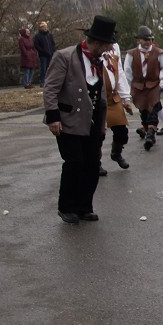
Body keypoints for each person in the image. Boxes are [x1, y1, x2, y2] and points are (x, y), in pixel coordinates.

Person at [43, 15, 116, 223]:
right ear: (99, 42)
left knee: (93, 164)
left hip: (92, 122)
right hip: (68, 121)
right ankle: (67, 207)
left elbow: (100, 94)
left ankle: (85, 206)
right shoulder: (64, 57)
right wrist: (53, 117)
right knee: (74, 163)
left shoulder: (99, 61)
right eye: (108, 44)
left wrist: (103, 121)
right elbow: (50, 88)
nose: (110, 48)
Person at [124, 26, 163, 151]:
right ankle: (147, 130)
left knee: (153, 110)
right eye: (145, 39)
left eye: (150, 39)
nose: (148, 42)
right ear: (138, 40)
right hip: (138, 86)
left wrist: (161, 83)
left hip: (154, 85)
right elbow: (127, 71)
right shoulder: (131, 54)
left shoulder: (159, 53)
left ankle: (150, 134)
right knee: (143, 111)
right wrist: (130, 86)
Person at [99, 39, 134, 176]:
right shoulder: (93, 58)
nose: (112, 46)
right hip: (98, 99)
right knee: (98, 135)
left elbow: (119, 75)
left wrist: (126, 98)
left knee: (121, 132)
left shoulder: (113, 56)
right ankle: (97, 163)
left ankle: (116, 153)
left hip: (113, 99)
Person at [33, 21, 55, 86]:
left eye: (46, 26)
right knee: (43, 69)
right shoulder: (38, 36)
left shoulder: (49, 35)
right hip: (43, 55)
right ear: (41, 28)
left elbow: (53, 43)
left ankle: (49, 81)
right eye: (44, 27)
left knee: (49, 68)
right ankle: (42, 81)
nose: (45, 28)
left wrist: (52, 50)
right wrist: (43, 51)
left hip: (50, 54)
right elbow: (37, 45)